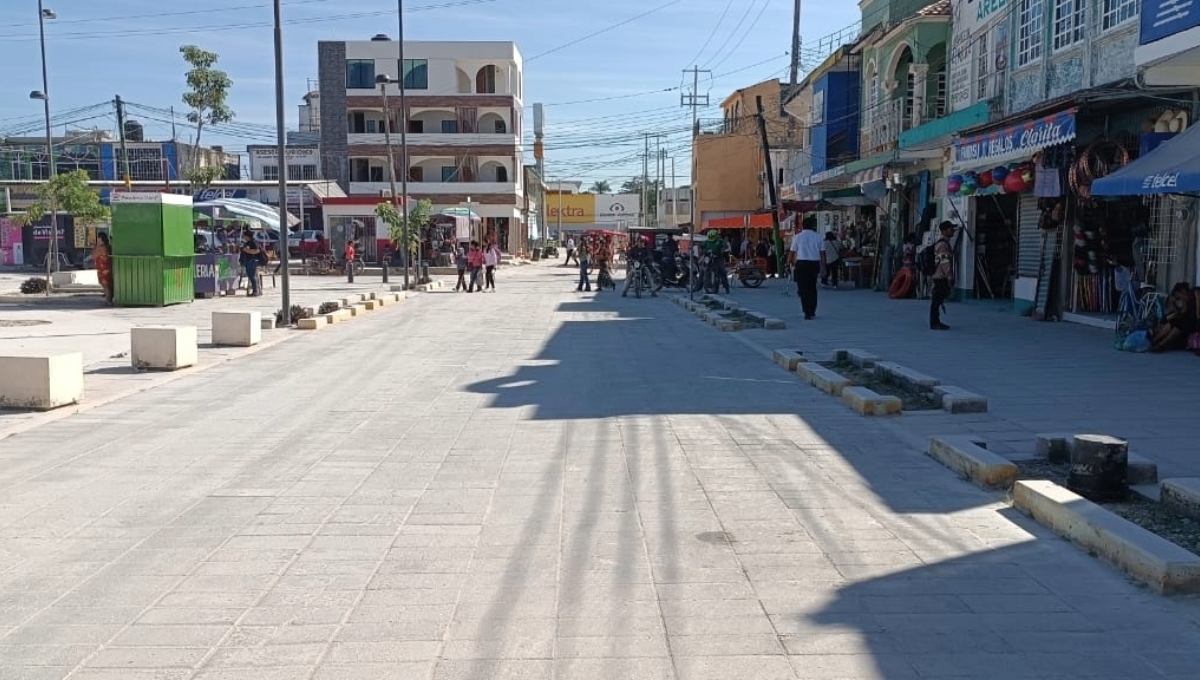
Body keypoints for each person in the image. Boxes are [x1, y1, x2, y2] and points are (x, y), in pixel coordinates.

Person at [789, 216, 822, 320]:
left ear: (802, 226)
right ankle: (812, 310)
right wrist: (824, 267)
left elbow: (792, 252)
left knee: (803, 288)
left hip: (802, 264)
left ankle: (806, 311)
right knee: (812, 287)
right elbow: (823, 253)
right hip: (814, 263)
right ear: (812, 226)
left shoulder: (797, 237)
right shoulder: (818, 236)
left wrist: (788, 263)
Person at [1151, 283, 1196, 352]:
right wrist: (1174, 304)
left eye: (1179, 296)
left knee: (1180, 324)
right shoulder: (1186, 301)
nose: (1179, 299)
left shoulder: (1194, 293)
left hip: (1193, 323)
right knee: (1174, 321)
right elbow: (1182, 313)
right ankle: (1154, 341)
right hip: (1186, 322)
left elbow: (1192, 314)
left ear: (1183, 291)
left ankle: (1161, 345)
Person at [930, 221, 957, 330]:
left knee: (937, 300)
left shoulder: (943, 242)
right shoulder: (943, 245)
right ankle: (934, 322)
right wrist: (949, 276)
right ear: (944, 231)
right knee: (936, 301)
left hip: (939, 275)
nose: (953, 231)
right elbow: (945, 262)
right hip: (940, 276)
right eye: (951, 229)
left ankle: (935, 321)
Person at [701, 230, 731, 294]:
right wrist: (703, 251)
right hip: (709, 258)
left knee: (723, 272)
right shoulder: (706, 242)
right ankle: (699, 285)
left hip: (718, 258)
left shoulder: (720, 241)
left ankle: (726, 287)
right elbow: (701, 247)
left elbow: (725, 246)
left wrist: (722, 249)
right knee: (703, 270)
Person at [93, 232, 113, 306]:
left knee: (105, 284)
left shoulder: (101, 248)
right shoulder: (108, 246)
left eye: (99, 239)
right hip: (107, 267)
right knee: (108, 284)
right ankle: (109, 299)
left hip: (103, 269)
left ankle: (108, 300)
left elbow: (93, 256)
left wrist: (96, 247)